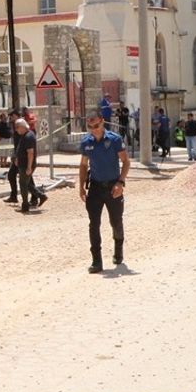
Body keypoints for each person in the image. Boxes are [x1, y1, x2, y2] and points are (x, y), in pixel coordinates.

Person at [78, 112, 129, 273]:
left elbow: (126, 162)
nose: (94, 130)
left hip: (113, 186)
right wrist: (80, 186)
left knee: (116, 221)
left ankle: (118, 250)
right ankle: (96, 261)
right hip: (95, 187)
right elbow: (84, 165)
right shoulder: (86, 142)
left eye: (96, 126)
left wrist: (120, 182)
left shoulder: (114, 139)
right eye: (90, 127)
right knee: (94, 224)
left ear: (102, 122)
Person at [13, 118, 46, 212]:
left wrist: (29, 167)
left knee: (23, 184)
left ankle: (25, 205)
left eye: (17, 127)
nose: (16, 129)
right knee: (27, 183)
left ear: (22, 127)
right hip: (22, 164)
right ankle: (41, 196)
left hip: (26, 165)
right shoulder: (25, 135)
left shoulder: (28, 136)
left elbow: (30, 153)